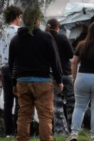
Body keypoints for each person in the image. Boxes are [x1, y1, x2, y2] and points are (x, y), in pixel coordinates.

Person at [9, 7, 63, 141]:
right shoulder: (46, 37)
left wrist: (14, 83)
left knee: (24, 115)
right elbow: (54, 60)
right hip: (43, 82)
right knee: (45, 115)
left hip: (22, 81)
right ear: (38, 20)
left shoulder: (16, 39)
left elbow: (12, 64)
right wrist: (59, 80)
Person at [0, 5, 23, 137]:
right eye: (20, 17)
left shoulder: (0, 32)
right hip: (17, 67)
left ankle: (8, 132)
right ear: (16, 17)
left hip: (4, 67)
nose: (21, 19)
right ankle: (17, 130)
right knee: (19, 100)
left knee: (8, 101)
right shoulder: (20, 32)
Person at [45, 18, 75, 135]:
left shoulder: (45, 38)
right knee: (71, 102)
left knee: (56, 105)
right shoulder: (62, 37)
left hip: (52, 75)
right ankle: (75, 128)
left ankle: (60, 131)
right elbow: (71, 54)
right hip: (66, 73)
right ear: (58, 26)